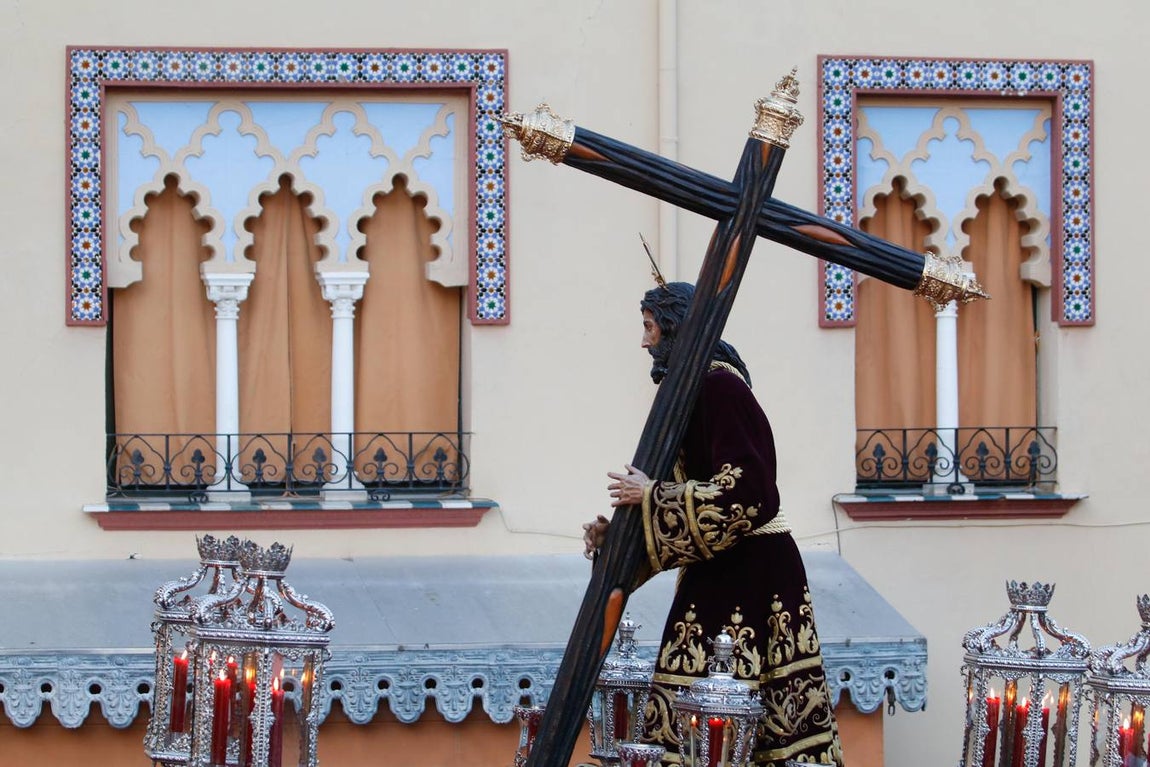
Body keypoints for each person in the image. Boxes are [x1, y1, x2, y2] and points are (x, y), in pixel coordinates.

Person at [583, 281, 844, 767]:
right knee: (690, 712)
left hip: (753, 574)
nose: (645, 341)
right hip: (719, 571)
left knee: (741, 718)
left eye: (649, 326)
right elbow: (684, 505)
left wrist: (653, 496)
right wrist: (618, 535)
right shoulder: (692, 393)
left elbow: (749, 492)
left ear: (676, 327)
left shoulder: (720, 386)